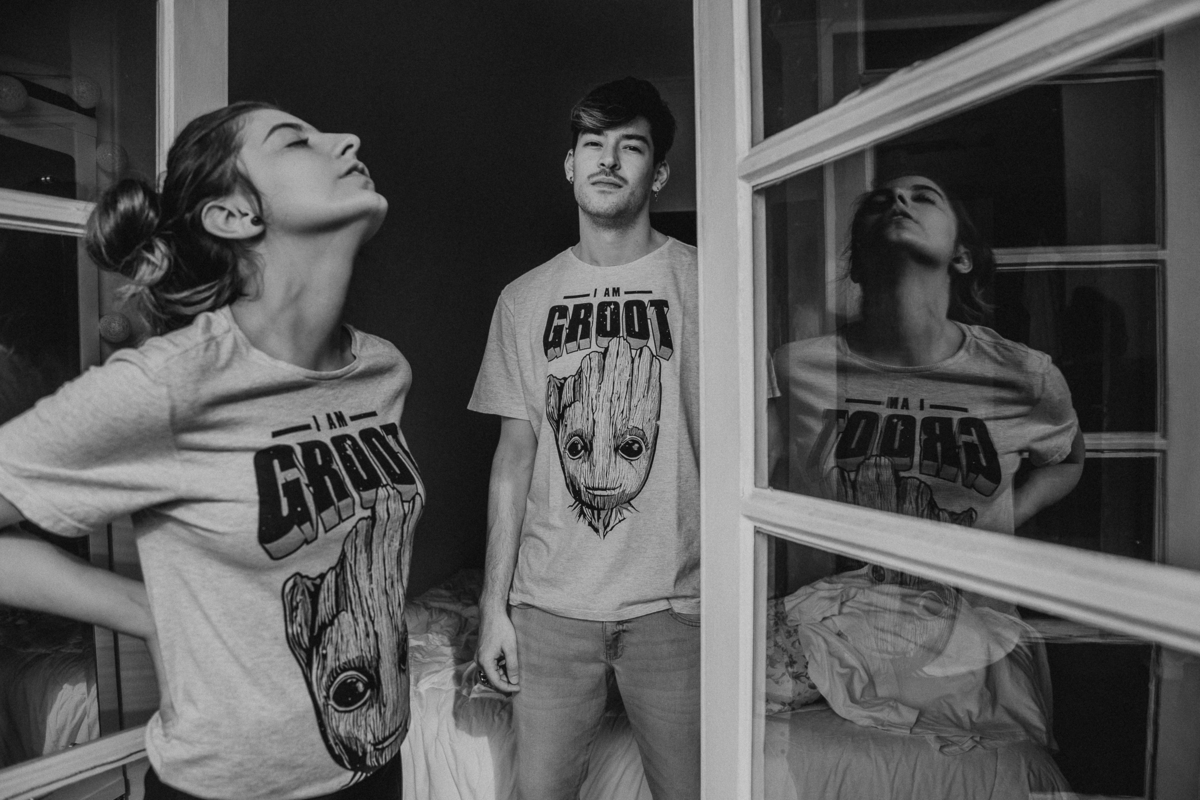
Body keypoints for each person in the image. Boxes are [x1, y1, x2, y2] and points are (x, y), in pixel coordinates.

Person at [0, 101, 422, 800]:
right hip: (226, 790)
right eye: (296, 140)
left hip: (370, 764)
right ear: (233, 216)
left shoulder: (382, 370)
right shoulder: (171, 384)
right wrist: (142, 608)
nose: (346, 138)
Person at [468, 77, 700, 800]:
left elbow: (756, 447)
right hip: (549, 611)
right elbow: (514, 457)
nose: (607, 160)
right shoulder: (523, 298)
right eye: (591, 145)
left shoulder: (709, 282)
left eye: (630, 147)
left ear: (657, 172)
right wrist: (492, 606)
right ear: (569, 165)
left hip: (675, 608)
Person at [771, 173, 1085, 587]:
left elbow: (1068, 461)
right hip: (831, 627)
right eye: (880, 202)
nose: (900, 199)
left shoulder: (1022, 374)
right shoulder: (796, 368)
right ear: (859, 266)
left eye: (923, 197)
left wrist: (1009, 517)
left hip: (973, 627)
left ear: (962, 256)